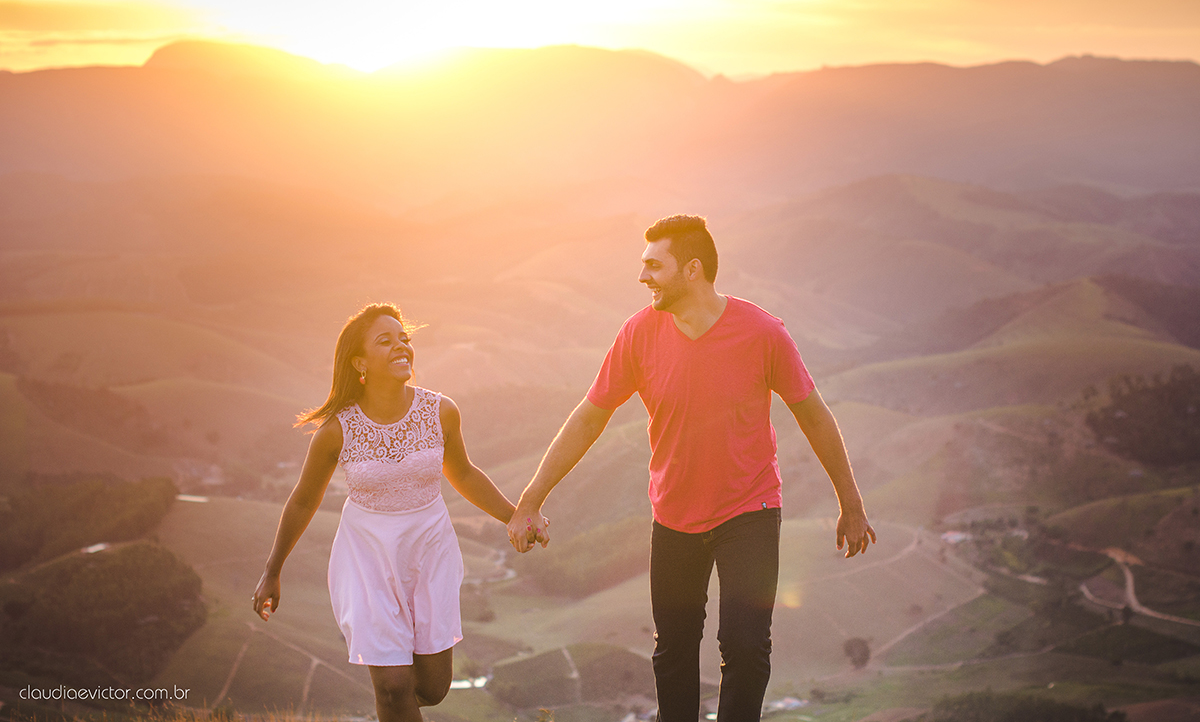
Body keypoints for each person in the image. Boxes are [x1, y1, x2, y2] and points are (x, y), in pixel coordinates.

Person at [506, 215, 875, 722]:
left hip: (750, 506)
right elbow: (589, 417)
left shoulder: (763, 333)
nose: (643, 278)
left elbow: (813, 415)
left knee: (745, 645)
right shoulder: (638, 333)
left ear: (693, 270)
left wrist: (850, 504)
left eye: (654, 266)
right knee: (674, 652)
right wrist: (532, 498)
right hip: (674, 514)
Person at [253, 303, 523, 722]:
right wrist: (273, 570)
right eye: (386, 340)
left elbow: (465, 474)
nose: (402, 347)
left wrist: (514, 516)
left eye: (404, 339)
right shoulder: (336, 431)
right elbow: (304, 500)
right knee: (394, 687)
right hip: (367, 557)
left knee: (431, 689)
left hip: (429, 551)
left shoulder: (441, 412)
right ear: (359, 361)